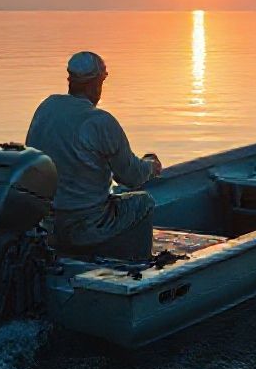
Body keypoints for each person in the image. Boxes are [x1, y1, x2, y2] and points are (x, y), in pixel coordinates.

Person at [26, 51, 162, 260]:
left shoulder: (46, 107)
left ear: (70, 81)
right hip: (86, 227)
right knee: (143, 202)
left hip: (49, 225)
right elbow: (132, 177)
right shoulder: (100, 122)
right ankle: (139, 267)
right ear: (96, 84)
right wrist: (151, 165)